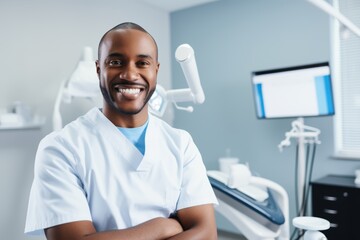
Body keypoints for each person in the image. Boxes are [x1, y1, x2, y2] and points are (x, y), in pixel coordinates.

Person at [24, 22, 218, 240]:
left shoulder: (181, 144)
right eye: (116, 62)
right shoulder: (60, 147)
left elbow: (206, 233)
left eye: (142, 63)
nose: (129, 74)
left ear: (156, 70)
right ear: (99, 70)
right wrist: (162, 227)